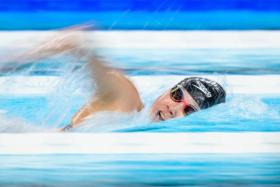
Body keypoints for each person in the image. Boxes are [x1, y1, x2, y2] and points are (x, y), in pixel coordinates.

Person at [17, 28, 226, 131]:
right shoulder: (125, 99)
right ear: (166, 90)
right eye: (177, 95)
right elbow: (78, 43)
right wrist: (14, 59)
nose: (174, 108)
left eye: (188, 111)